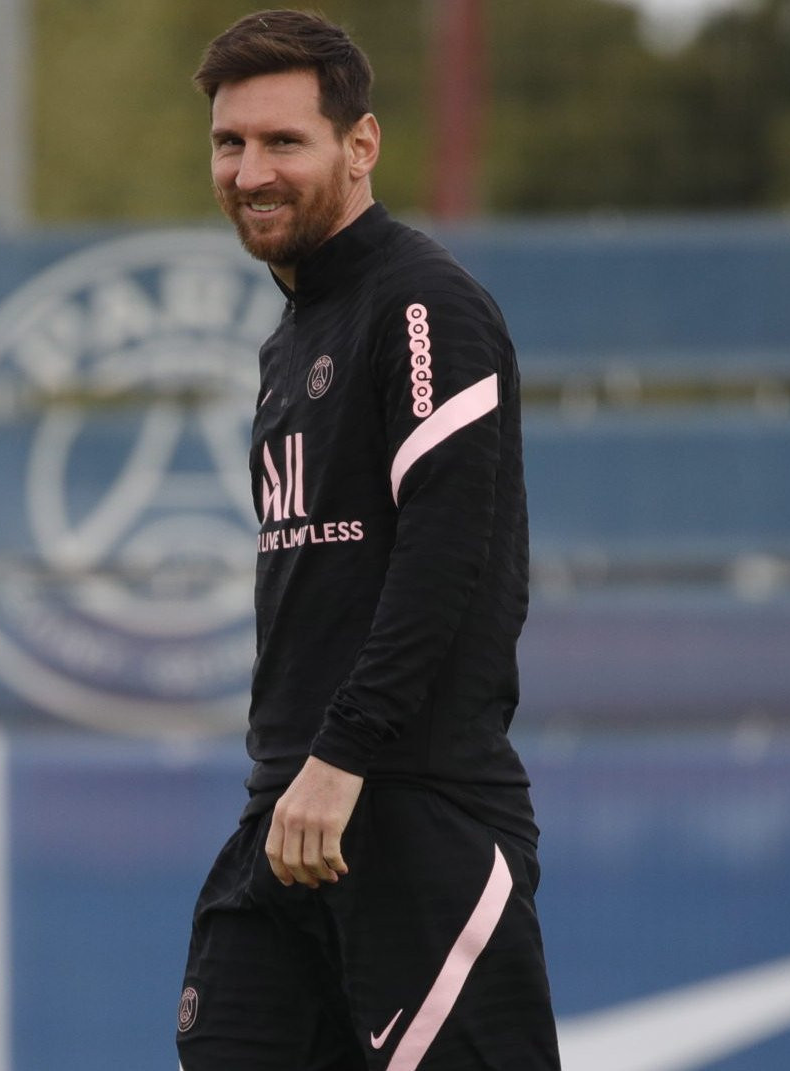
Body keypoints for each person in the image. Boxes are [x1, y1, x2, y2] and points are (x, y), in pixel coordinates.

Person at [176, 11, 560, 1070]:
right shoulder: (287, 341)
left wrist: (342, 756)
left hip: (412, 819)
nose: (250, 170)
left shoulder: (424, 305)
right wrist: (302, 776)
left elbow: (453, 553)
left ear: (361, 145)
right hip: (286, 820)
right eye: (229, 143)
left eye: (282, 142)